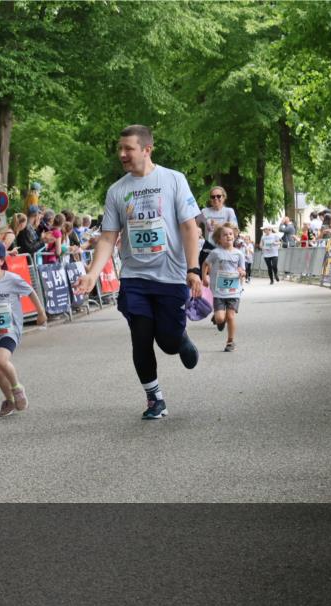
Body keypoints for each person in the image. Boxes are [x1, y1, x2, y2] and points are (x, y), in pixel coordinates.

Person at [73, 124, 202, 420]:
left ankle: (179, 339)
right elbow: (108, 236)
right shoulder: (117, 190)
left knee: (167, 342)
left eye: (128, 148)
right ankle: (154, 398)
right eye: (120, 149)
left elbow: (188, 226)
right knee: (140, 337)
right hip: (135, 277)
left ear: (147, 149)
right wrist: (93, 273)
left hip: (170, 274)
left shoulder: (173, 180)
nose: (122, 154)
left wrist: (193, 269)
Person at [0, 239, 46, 417]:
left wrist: (41, 312)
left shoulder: (12, 279)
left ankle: (17, 388)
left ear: (1, 260)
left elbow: (30, 292)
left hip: (10, 329)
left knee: (1, 361)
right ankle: (9, 400)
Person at [202, 223, 246, 352]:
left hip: (234, 291)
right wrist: (204, 277)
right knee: (221, 318)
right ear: (219, 239)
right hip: (219, 291)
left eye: (230, 234)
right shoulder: (215, 253)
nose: (228, 236)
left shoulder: (239, 254)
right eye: (225, 235)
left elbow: (243, 270)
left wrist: (242, 272)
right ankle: (219, 320)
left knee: (231, 316)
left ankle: (230, 342)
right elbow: (205, 264)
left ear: (234, 236)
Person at [199, 186, 238, 267]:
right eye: (212, 197)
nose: (215, 198)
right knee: (205, 277)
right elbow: (194, 225)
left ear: (224, 197)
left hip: (224, 249)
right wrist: (199, 236)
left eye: (218, 196)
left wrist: (219, 226)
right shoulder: (204, 211)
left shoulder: (229, 211)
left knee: (221, 275)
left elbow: (235, 230)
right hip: (208, 249)